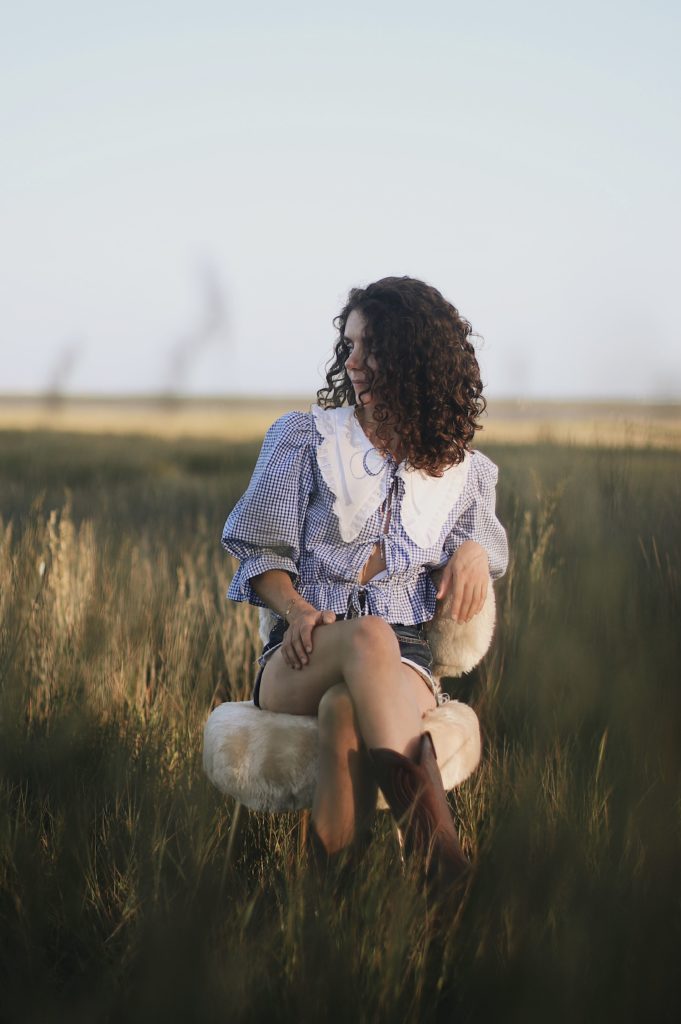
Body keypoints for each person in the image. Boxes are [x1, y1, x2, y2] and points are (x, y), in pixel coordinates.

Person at [221, 276, 508, 882]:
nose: (352, 362)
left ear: (414, 360)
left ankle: (335, 912)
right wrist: (297, 609)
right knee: (367, 638)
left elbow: (490, 544)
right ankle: (441, 861)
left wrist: (476, 551)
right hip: (303, 652)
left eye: (370, 348)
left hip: (407, 664)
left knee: (345, 709)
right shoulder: (303, 439)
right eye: (347, 345)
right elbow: (260, 553)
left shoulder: (467, 473)